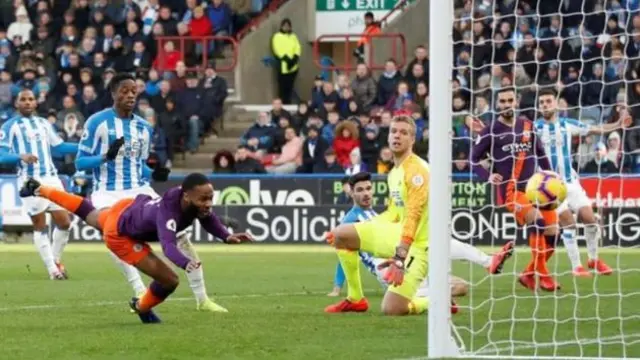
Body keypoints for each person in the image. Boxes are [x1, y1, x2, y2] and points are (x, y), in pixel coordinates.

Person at [75, 73, 226, 312]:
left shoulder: (144, 127)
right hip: (108, 192)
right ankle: (139, 290)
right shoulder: (97, 122)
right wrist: (105, 157)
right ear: (113, 93)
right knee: (114, 237)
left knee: (180, 236)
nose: (130, 95)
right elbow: (80, 163)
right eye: (124, 91)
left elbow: (139, 165)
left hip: (140, 191)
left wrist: (154, 173)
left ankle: (202, 299)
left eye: (134, 91)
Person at [19, 173, 253, 323]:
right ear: (187, 197)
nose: (208, 203)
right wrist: (185, 262)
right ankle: (141, 306)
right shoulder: (169, 213)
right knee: (170, 280)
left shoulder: (188, 200)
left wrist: (226, 236)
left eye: (210, 198)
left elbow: (208, 218)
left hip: (126, 208)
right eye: (204, 199)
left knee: (88, 212)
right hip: (121, 234)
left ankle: (40, 189)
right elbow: (169, 246)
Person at [327, 172, 514, 309]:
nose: (366, 193)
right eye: (360, 190)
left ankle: (488, 263)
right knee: (435, 242)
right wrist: (338, 286)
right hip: (391, 272)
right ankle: (439, 298)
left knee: (461, 286)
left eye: (368, 188)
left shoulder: (377, 214)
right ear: (351, 193)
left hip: (407, 260)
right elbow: (343, 252)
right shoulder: (350, 221)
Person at [323, 115, 432, 316]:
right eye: (393, 131)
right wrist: (363, 226)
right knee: (341, 235)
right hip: (398, 235)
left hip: (419, 245)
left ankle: (436, 300)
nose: (397, 136)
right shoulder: (395, 172)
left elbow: (414, 215)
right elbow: (393, 213)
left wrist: (400, 257)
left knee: (392, 309)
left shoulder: (417, 171)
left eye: (404, 132)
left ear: (412, 140)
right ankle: (356, 299)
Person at [472, 87, 560, 292]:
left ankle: (528, 274)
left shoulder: (527, 125)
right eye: (502, 101)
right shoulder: (490, 131)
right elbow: (473, 159)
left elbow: (540, 153)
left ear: (516, 102)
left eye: (510, 100)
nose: (506, 104)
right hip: (512, 191)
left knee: (554, 235)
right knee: (537, 221)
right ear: (497, 104)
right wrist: (488, 175)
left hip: (538, 189)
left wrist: (553, 178)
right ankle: (544, 276)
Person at [535, 89, 622, 276]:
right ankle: (576, 267)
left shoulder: (567, 124)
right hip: (550, 187)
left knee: (590, 219)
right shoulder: (535, 128)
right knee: (568, 222)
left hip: (571, 182)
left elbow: (595, 129)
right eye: (541, 102)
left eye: (548, 101)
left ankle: (593, 259)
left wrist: (619, 123)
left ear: (556, 104)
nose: (545, 105)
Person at [0, 89, 78, 280]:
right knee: (40, 225)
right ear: (17, 103)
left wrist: (85, 145)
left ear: (36, 103)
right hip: (30, 182)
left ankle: (56, 260)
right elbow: (1, 155)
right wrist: (21, 156)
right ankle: (53, 270)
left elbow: (59, 146)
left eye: (31, 99)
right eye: (23, 100)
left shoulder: (44, 124)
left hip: (52, 178)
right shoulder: (9, 126)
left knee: (65, 222)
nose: (27, 102)